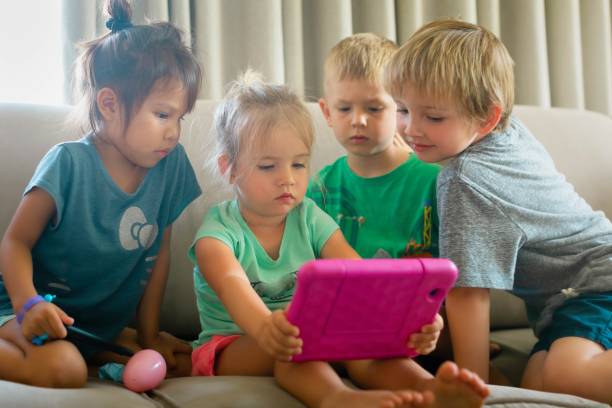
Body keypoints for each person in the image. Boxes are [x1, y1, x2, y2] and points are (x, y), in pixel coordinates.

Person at [189, 70, 489, 408]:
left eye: (299, 165)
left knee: (361, 345)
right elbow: (232, 286)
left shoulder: (310, 216)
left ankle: (432, 391)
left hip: (303, 335)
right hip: (236, 344)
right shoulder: (217, 234)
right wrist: (266, 328)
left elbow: (361, 276)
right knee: (298, 348)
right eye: (268, 167)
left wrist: (410, 318)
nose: (287, 180)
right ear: (229, 168)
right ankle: (338, 399)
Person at [385, 18, 612, 404]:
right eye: (403, 109)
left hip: (598, 282)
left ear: (487, 117)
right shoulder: (506, 129)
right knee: (537, 383)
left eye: (433, 117)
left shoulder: (464, 180)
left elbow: (469, 292)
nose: (410, 129)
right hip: (565, 304)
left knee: (564, 377)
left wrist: (474, 388)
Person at [0, 0, 202, 387]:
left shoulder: (171, 164)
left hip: (91, 330)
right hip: (24, 311)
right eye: (162, 115)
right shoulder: (69, 164)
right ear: (109, 104)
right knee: (66, 369)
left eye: (180, 117)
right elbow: (14, 243)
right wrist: (28, 304)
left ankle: (100, 353)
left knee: (180, 361)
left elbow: (158, 255)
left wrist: (149, 337)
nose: (174, 131)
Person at [308, 33, 440, 259]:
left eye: (374, 108)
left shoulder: (435, 182)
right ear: (327, 113)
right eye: (344, 109)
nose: (358, 120)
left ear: (400, 108)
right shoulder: (320, 189)